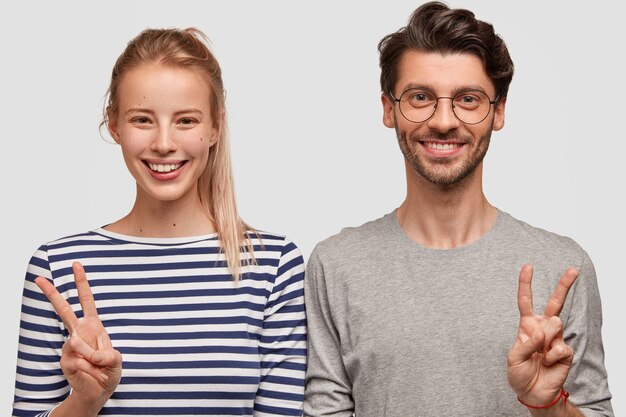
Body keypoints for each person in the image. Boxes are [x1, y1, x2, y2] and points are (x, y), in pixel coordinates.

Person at [303, 2, 612, 416]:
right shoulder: (335, 265)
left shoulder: (563, 265)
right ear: (388, 109)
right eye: (420, 97)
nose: (444, 120)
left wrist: (549, 404)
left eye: (468, 99)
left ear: (498, 111)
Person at [12, 28, 306, 417]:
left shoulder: (273, 265)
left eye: (186, 120)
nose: (164, 143)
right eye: (142, 120)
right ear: (114, 125)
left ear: (214, 127)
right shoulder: (57, 266)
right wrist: (85, 401)